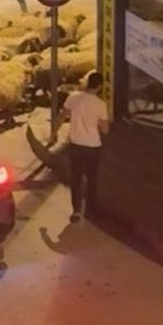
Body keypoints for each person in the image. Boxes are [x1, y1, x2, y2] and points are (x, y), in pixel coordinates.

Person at [63, 71, 110, 218]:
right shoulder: (101, 104)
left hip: (75, 143)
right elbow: (105, 130)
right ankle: (90, 210)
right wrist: (100, 123)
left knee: (76, 178)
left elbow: (62, 115)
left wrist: (53, 132)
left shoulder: (73, 97)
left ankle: (76, 210)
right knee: (92, 179)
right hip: (93, 146)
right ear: (100, 86)